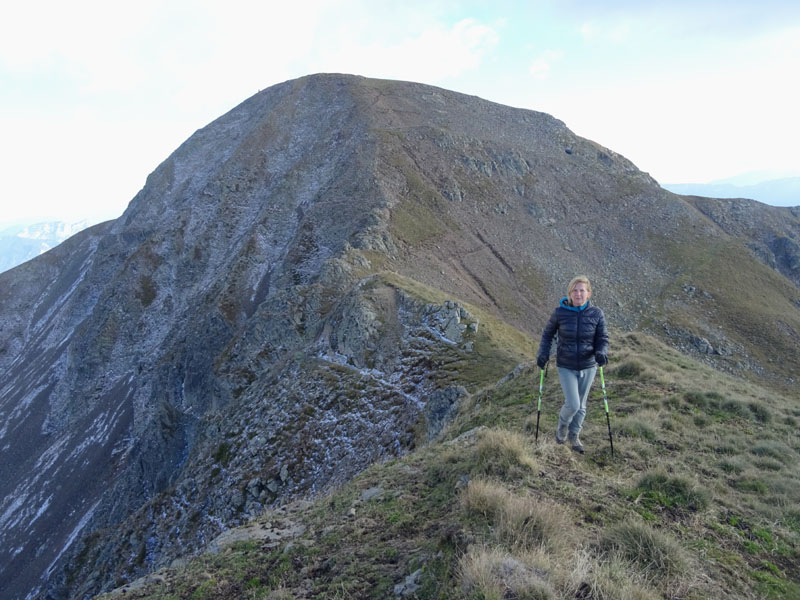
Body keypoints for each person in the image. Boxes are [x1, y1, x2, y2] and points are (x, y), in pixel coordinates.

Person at [536, 276, 609, 453]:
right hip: (566, 365)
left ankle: (574, 436)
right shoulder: (559, 313)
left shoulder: (597, 314)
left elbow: (602, 338)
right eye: (575, 290)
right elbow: (547, 335)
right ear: (569, 293)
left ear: (589, 293)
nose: (578, 294)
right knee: (573, 404)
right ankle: (561, 430)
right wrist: (543, 353)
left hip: (589, 365)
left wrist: (601, 352)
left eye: (582, 290)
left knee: (582, 406)